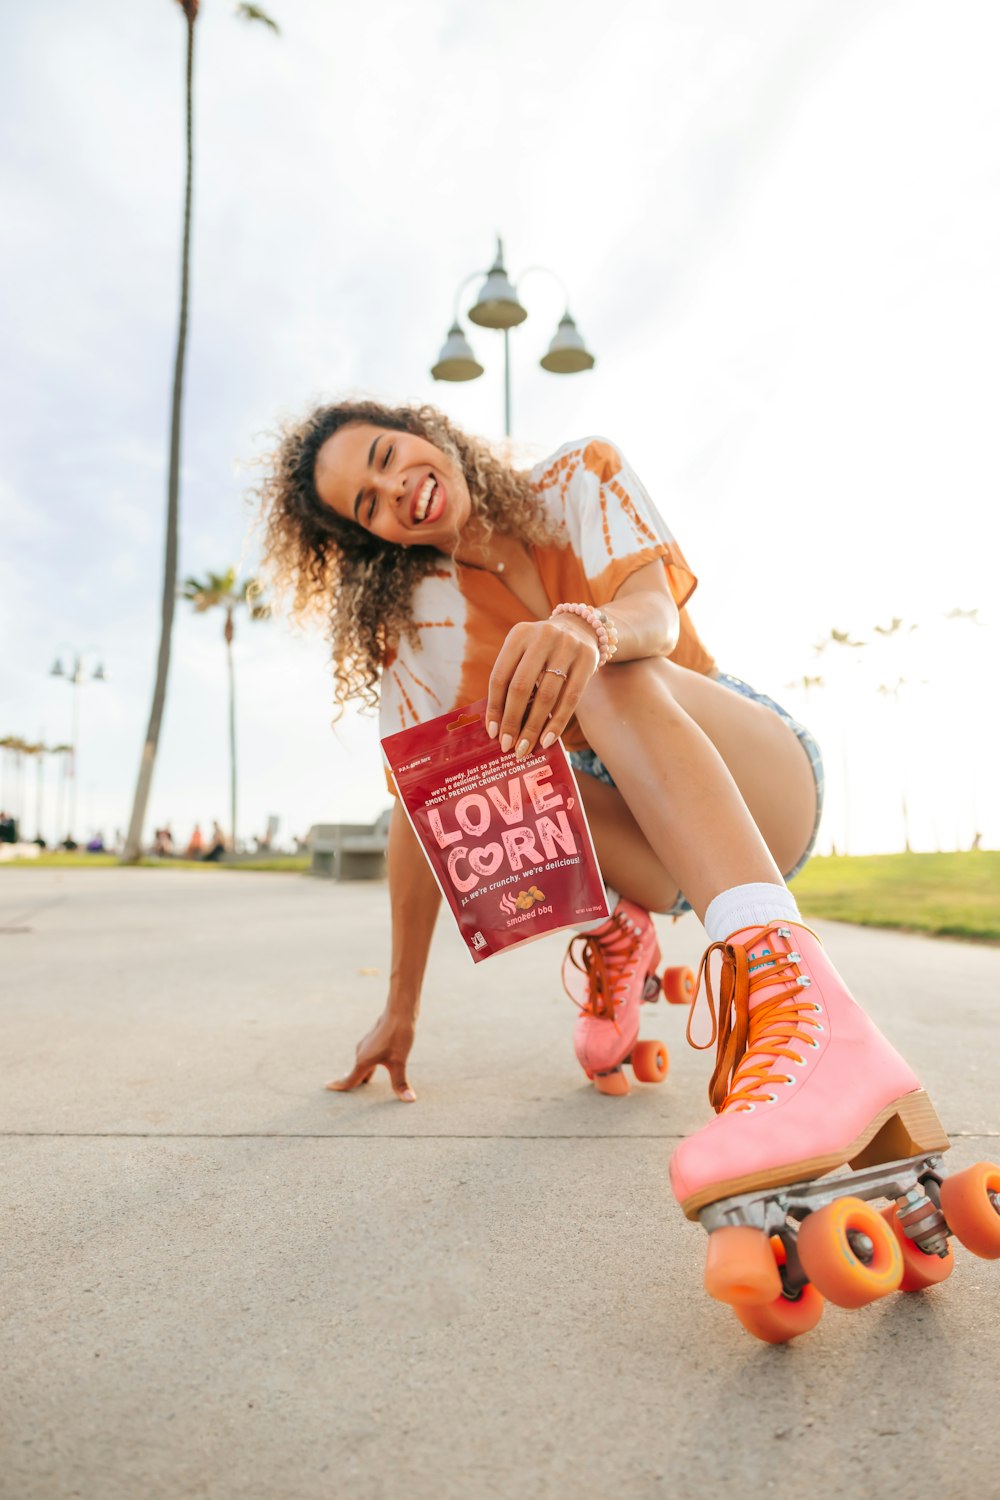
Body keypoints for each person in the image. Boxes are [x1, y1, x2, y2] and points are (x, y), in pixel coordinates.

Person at [255, 398, 949, 1231]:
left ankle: (804, 1011)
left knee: (606, 667)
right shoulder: (419, 627)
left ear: (425, 431)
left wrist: (587, 627)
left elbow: (654, 617)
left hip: (751, 778)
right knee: (463, 781)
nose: (394, 487)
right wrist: (400, 1005)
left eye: (384, 453)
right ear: (375, 538)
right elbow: (419, 807)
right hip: (648, 847)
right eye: (366, 504)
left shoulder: (579, 476)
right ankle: (623, 925)